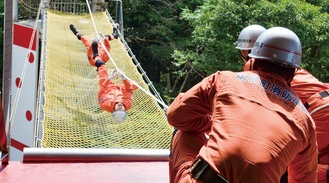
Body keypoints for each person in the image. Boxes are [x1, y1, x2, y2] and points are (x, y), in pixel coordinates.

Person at [167, 27, 317, 182]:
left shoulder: (224, 80)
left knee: (183, 131)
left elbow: (176, 116)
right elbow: (305, 179)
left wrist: (213, 124)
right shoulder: (306, 120)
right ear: (293, 72)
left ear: (253, 61)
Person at [237, 25, 329, 183]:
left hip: (317, 114)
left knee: (287, 167)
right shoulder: (290, 66)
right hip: (323, 106)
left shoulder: (255, 68)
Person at [69, 24, 137, 123]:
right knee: (135, 85)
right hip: (119, 86)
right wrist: (124, 79)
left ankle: (95, 52)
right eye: (122, 109)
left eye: (118, 109)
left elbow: (101, 92)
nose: (120, 107)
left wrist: (108, 79)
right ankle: (114, 35)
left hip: (106, 83)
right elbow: (129, 90)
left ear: (113, 111)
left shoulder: (105, 105)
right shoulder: (127, 104)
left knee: (100, 63)